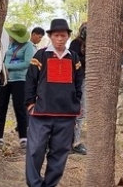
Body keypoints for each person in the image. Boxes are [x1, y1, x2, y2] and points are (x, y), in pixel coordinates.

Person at [25, 18, 83, 187]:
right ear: (50, 36)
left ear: (68, 37)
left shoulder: (74, 58)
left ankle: (49, 185)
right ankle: (35, 184)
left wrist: (75, 101)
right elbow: (30, 81)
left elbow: (79, 82)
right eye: (56, 35)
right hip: (41, 113)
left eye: (63, 35)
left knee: (60, 153)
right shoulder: (41, 55)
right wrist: (30, 103)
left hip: (66, 115)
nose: (59, 39)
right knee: (35, 151)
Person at [0, 23, 37, 149]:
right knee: (1, 107)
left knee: (20, 108)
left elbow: (27, 63)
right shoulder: (9, 45)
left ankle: (23, 138)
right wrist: (3, 68)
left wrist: (8, 67)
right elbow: (4, 59)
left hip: (20, 80)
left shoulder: (29, 46)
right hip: (6, 80)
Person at [68, 22, 88, 155]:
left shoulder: (92, 44)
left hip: (86, 81)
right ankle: (70, 142)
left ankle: (75, 140)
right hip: (75, 81)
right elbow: (73, 60)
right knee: (74, 112)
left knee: (81, 113)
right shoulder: (76, 43)